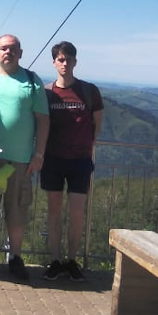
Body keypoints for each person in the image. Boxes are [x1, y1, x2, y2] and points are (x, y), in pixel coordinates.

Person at [0, 34, 49, 280]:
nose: (8, 52)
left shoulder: (32, 81)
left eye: (13, 49)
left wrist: (39, 154)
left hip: (21, 159)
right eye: (4, 48)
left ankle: (15, 257)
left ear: (20, 53)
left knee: (17, 211)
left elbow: (43, 120)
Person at [41, 41, 104, 282]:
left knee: (76, 212)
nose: (65, 63)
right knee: (54, 211)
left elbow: (97, 124)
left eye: (68, 59)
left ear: (75, 61)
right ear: (54, 62)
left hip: (80, 160)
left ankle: (72, 260)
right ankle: (56, 260)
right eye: (60, 59)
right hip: (52, 158)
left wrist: (87, 146)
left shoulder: (89, 91)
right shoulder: (47, 93)